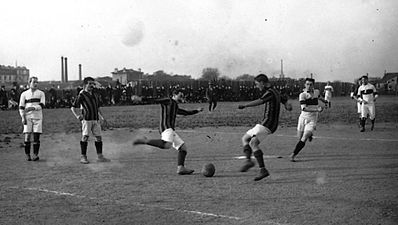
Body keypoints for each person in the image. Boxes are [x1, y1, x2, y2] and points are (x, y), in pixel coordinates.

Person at [133, 90, 204, 175]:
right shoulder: (168, 101)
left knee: (183, 148)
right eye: (180, 95)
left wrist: (197, 110)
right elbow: (155, 100)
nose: (181, 97)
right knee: (167, 145)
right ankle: (145, 141)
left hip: (170, 129)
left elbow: (185, 112)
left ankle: (180, 168)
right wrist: (141, 99)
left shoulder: (175, 106)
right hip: (166, 127)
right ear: (174, 95)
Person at [237, 74, 292, 181]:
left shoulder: (270, 92)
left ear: (262, 82)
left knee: (253, 143)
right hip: (267, 123)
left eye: (257, 84)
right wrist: (286, 105)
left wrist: (245, 105)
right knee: (245, 138)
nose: (257, 86)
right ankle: (249, 161)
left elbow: (260, 101)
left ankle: (263, 170)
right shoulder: (275, 91)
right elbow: (284, 99)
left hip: (268, 123)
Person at [71, 77, 110, 164]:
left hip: (95, 119)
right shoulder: (81, 95)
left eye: (93, 84)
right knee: (85, 137)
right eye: (90, 84)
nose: (92, 85)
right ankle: (83, 157)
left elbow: (97, 107)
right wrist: (77, 116)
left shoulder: (95, 95)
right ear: (85, 85)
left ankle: (100, 156)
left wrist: (102, 117)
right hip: (87, 119)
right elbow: (73, 107)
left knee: (99, 137)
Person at [290, 78, 328, 162]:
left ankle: (293, 155)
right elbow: (304, 108)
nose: (309, 86)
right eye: (307, 84)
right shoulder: (302, 95)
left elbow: (319, 97)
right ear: (304, 85)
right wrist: (317, 110)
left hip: (312, 119)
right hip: (303, 118)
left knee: (304, 137)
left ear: (313, 85)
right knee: (299, 138)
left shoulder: (316, 92)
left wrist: (325, 101)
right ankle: (310, 134)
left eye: (310, 84)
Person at [18, 77, 45, 161]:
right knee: (27, 136)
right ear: (29, 83)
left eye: (37, 82)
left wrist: (32, 108)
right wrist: (22, 117)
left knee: (36, 136)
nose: (36, 84)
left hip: (37, 117)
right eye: (34, 82)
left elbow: (42, 105)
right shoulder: (24, 94)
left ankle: (35, 155)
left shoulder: (41, 93)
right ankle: (27, 155)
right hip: (28, 117)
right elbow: (21, 107)